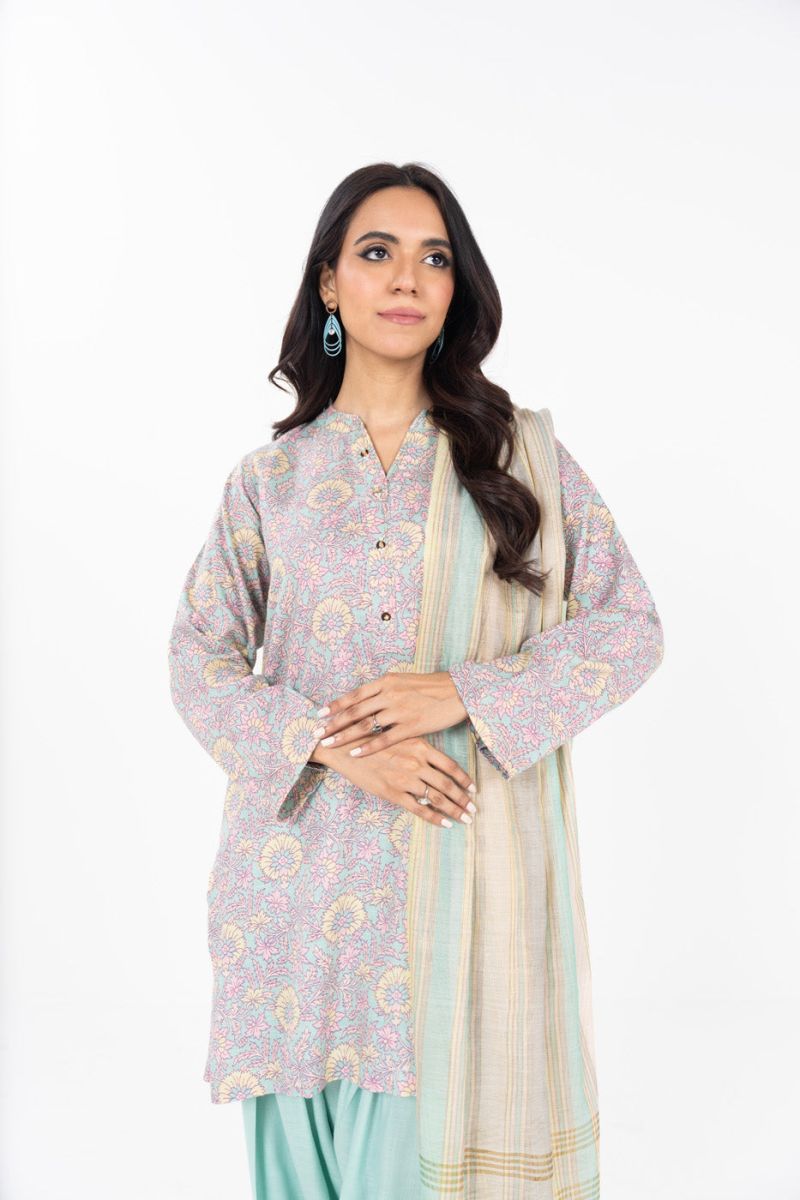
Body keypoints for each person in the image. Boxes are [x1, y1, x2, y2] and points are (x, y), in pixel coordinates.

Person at [167, 161, 665, 1200]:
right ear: (329, 284)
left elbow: (628, 628)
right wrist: (335, 747)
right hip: (290, 909)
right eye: (376, 252)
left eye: (434, 257)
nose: (406, 277)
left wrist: (465, 693)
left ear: (455, 288)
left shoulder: (519, 462)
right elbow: (198, 662)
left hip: (452, 910)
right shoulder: (270, 481)